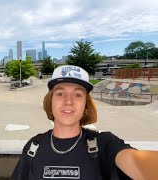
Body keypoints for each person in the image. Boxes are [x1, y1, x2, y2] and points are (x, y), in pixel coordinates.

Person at [12, 65, 158, 180]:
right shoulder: (33, 146)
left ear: (86, 105)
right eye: (60, 93)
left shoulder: (105, 144)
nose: (68, 101)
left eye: (78, 94)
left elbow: (137, 163)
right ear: (50, 102)